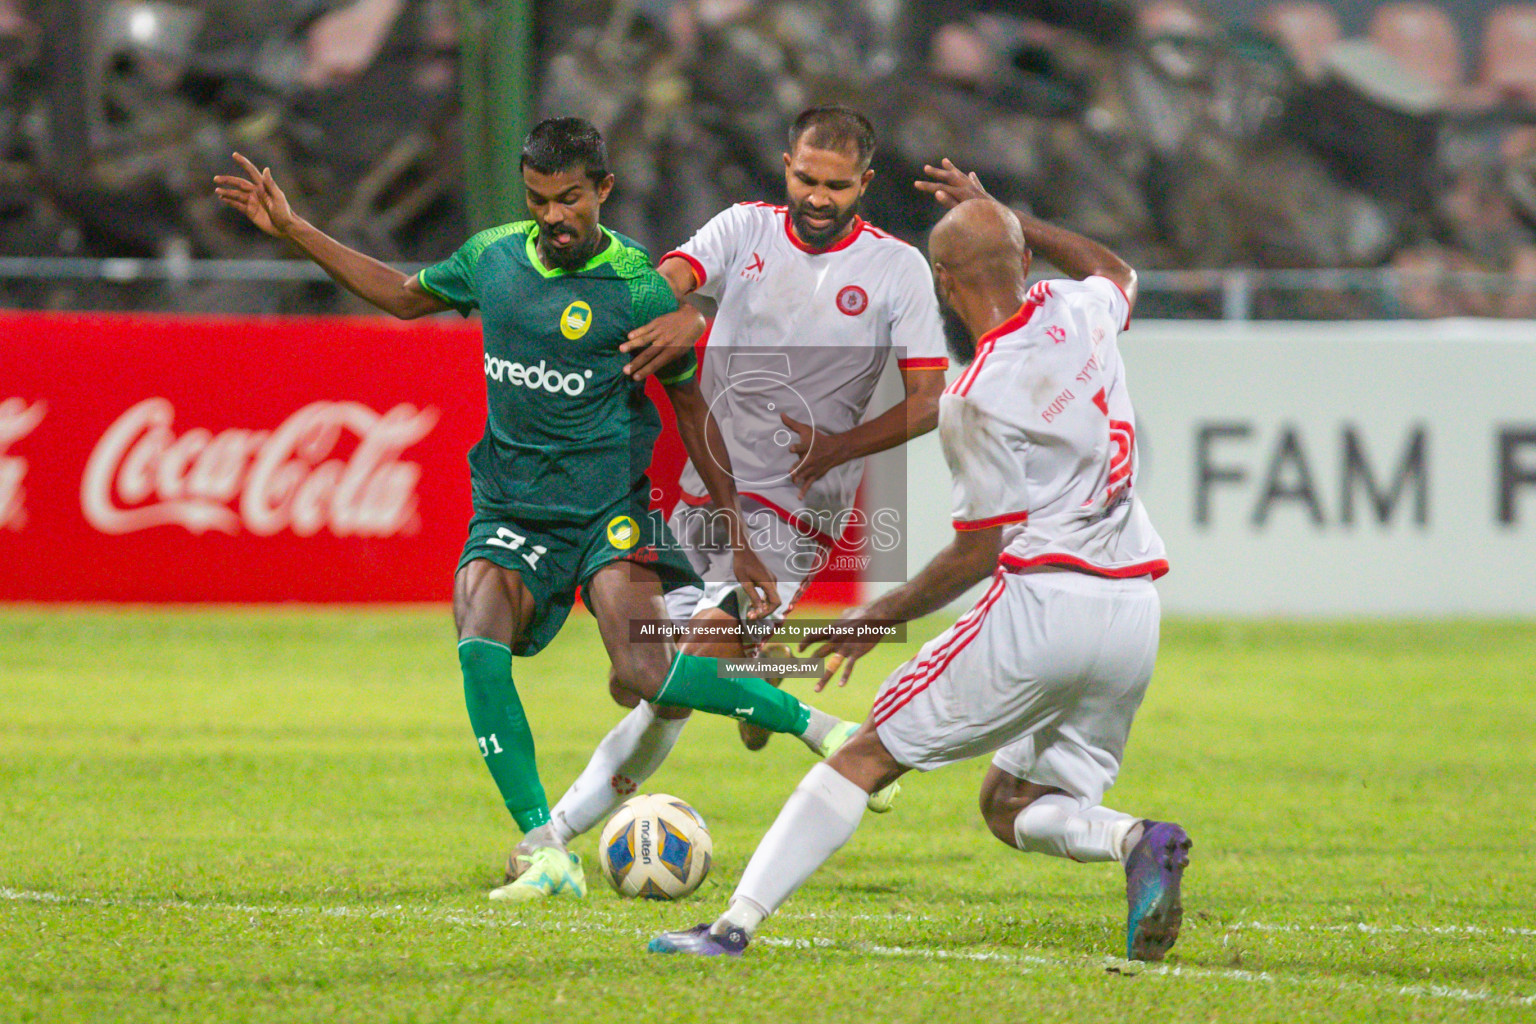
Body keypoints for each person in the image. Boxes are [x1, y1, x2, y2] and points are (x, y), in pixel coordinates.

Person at [213, 118, 860, 902]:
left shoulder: (636, 289)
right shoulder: (491, 258)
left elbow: (695, 411)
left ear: (603, 192)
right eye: (539, 200)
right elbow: (399, 293)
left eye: (570, 200)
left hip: (607, 518)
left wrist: (741, 541)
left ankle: (817, 728)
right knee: (477, 633)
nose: (553, 217)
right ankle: (543, 845)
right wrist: (293, 229)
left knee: (647, 676)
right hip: (511, 510)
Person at [648, 161, 1192, 962]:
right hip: (1134, 614)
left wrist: (876, 617)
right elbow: (1116, 269)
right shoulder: (1079, 310)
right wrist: (1007, 216)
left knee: (864, 757)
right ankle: (1139, 841)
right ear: (1022, 261)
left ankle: (732, 926)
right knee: (1013, 801)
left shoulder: (977, 395)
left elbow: (981, 549)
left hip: (1045, 609)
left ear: (942, 282)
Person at [538, 105, 950, 849]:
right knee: (636, 676)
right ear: (784, 165)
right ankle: (754, 675)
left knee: (673, 692)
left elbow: (928, 400)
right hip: (706, 492)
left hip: (796, 514)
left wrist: (840, 445)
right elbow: (670, 279)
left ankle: (550, 840)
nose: (818, 198)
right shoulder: (744, 228)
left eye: (837, 185)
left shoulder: (897, 268)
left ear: (866, 183)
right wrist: (677, 311)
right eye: (805, 178)